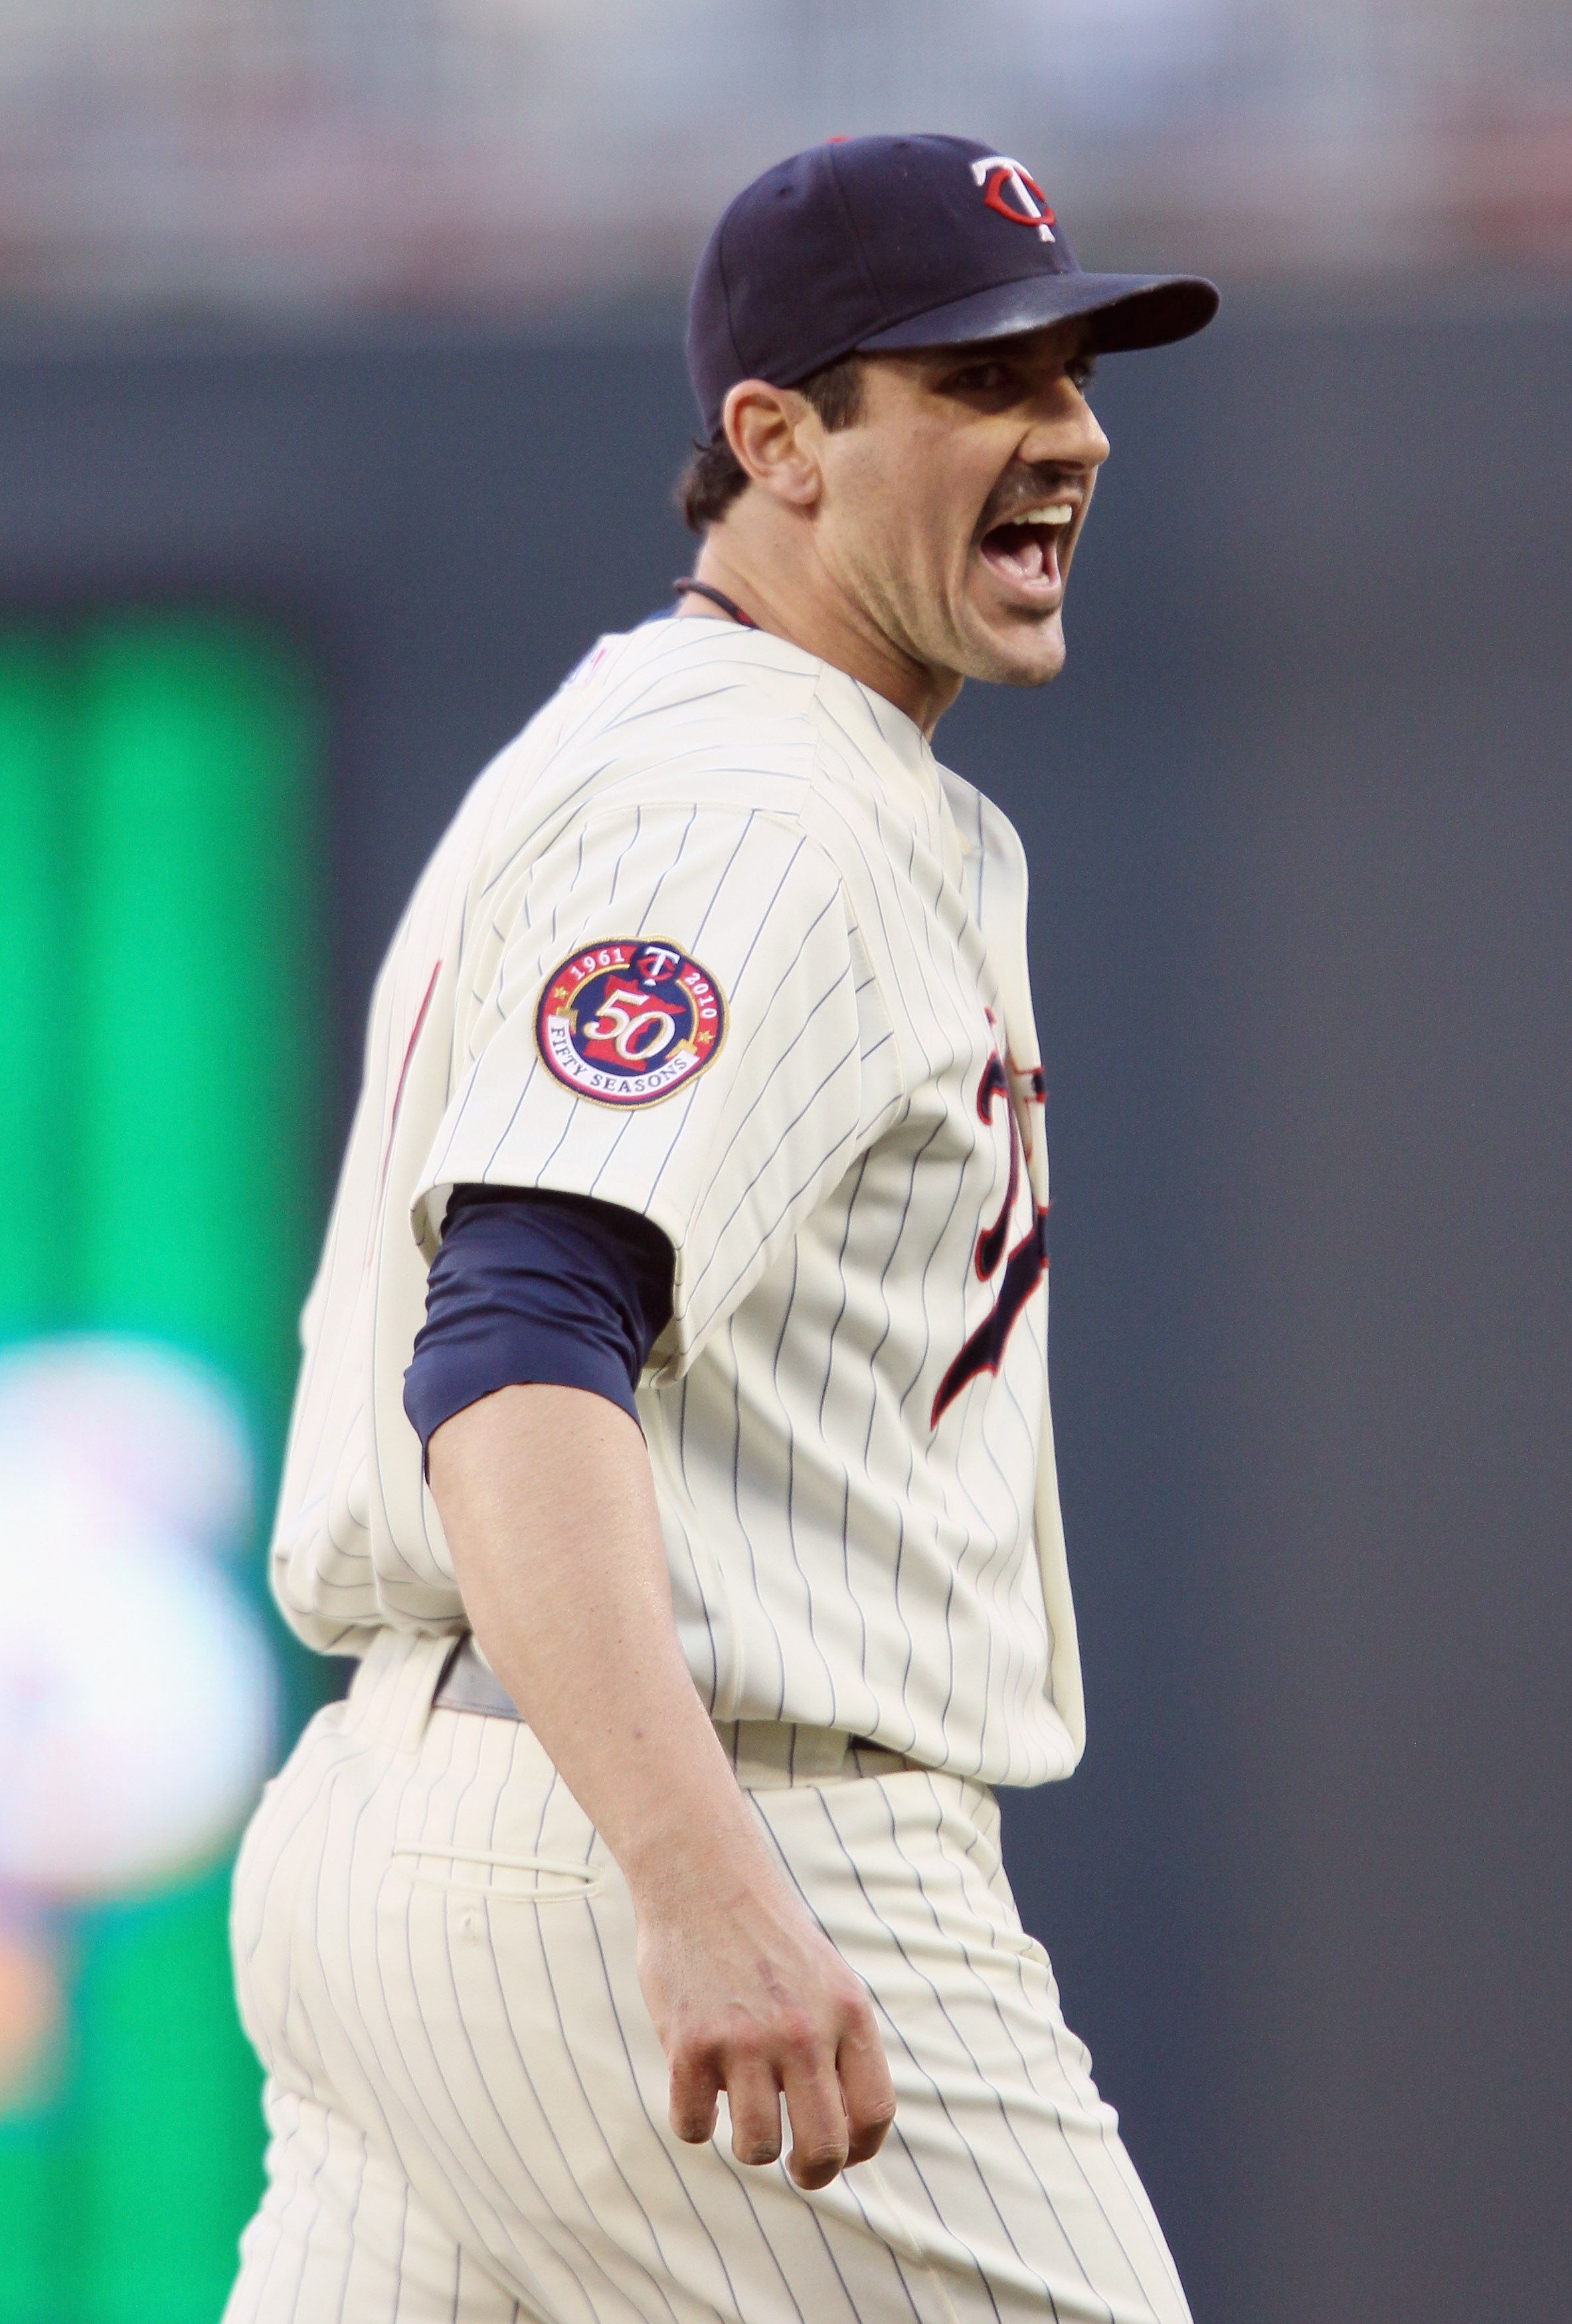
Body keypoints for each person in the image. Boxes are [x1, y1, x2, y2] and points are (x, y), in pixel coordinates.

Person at [225, 133, 1218, 2324]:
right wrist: (701, 1879)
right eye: (981, 379)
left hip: (409, 1824)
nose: (1068, 429)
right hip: (680, 1816)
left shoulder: (672, 742)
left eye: (1073, 372)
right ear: (776, 441)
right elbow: (512, 1346)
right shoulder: (751, 803)